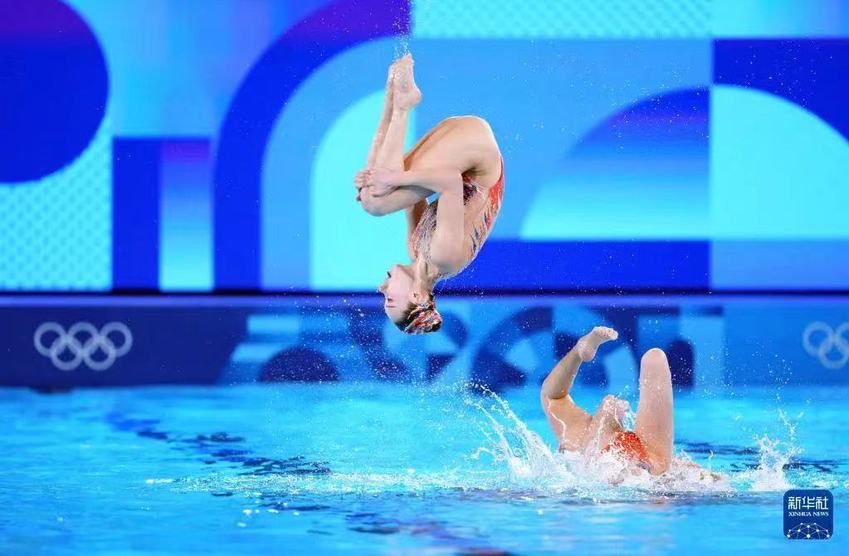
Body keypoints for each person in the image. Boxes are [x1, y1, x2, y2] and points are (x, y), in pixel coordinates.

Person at [354, 54, 504, 335]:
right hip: (479, 154)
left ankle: (393, 96)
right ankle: (402, 105)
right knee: (377, 201)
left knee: (371, 196)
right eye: (389, 299)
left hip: (464, 146)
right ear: (417, 296)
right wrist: (393, 179)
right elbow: (449, 182)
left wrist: (375, 181)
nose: (382, 287)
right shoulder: (444, 257)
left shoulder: (416, 249)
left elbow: (413, 196)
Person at [541, 326, 718, 479]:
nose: (613, 401)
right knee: (655, 358)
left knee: (654, 359)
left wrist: (577, 353)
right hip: (635, 464)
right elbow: (552, 396)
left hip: (607, 462)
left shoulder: (575, 440)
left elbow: (552, 396)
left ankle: (580, 349)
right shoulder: (578, 438)